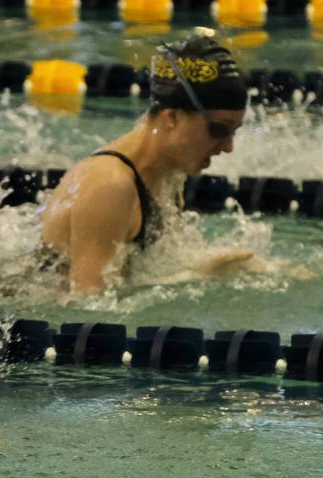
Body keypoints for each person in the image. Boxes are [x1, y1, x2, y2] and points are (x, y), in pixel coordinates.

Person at [39, 33, 254, 294]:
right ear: (172, 117)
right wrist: (194, 275)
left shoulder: (170, 171)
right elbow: (87, 304)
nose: (228, 147)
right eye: (219, 130)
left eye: (234, 132)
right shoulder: (109, 183)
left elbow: (145, 270)